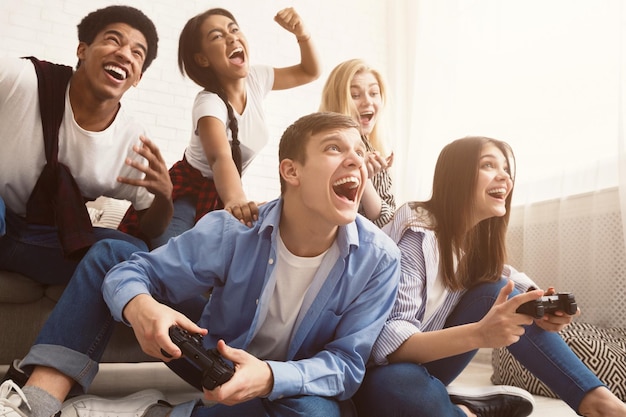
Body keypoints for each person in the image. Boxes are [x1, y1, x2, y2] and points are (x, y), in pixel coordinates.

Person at [0, 112, 401, 417]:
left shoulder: (380, 260)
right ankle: (37, 400)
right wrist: (139, 305)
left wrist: (269, 377)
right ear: (290, 171)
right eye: (336, 148)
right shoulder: (235, 230)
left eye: (361, 153)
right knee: (111, 256)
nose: (357, 161)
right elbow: (133, 273)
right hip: (210, 359)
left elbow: (347, 366)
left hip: (289, 384)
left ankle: (156, 412)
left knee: (315, 413)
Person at [353, 136, 626, 417]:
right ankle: (462, 410)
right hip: (372, 375)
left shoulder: (472, 244)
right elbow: (389, 346)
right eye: (488, 165)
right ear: (457, 176)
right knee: (397, 384)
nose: (504, 177)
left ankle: (598, 401)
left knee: (498, 291)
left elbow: (509, 279)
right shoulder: (417, 231)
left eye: (507, 169)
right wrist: (479, 334)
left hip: (423, 368)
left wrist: (541, 305)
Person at [119, 7, 322, 249]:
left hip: (221, 195)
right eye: (217, 36)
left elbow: (310, 71)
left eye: (234, 29)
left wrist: (302, 33)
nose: (232, 37)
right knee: (172, 257)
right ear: (202, 59)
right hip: (187, 194)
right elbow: (219, 157)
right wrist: (236, 199)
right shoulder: (208, 103)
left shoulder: (256, 79)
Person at [0, 5, 173, 285]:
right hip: (2, 216)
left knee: (131, 255)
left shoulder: (133, 141)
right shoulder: (21, 79)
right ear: (82, 50)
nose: (124, 53)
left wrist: (165, 197)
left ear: (138, 77)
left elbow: (151, 226)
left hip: (44, 242)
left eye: (137, 52)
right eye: (113, 39)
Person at [319, 59, 395, 227]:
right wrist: (358, 172)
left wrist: (365, 179)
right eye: (355, 95)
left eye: (374, 93)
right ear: (338, 100)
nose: (368, 102)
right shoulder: (319, 147)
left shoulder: (375, 153)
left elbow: (389, 223)